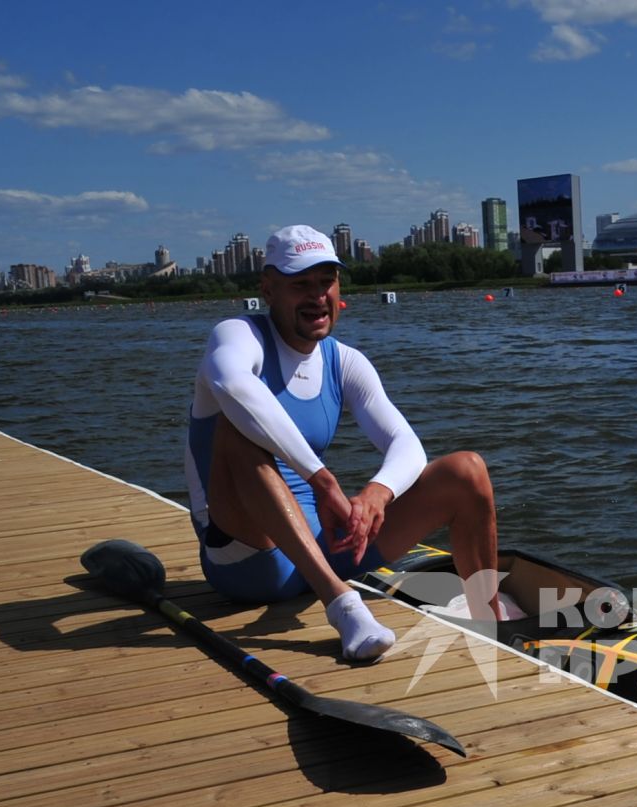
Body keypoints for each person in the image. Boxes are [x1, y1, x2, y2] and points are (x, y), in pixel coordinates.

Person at [184, 224, 499, 661]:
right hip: (247, 560)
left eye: (326, 281)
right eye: (301, 284)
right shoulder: (237, 336)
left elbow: (406, 443)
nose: (317, 296)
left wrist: (377, 494)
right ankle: (344, 605)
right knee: (235, 428)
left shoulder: (344, 360)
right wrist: (323, 481)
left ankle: (490, 621)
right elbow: (233, 384)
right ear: (268, 289)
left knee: (467, 471)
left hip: (329, 544)